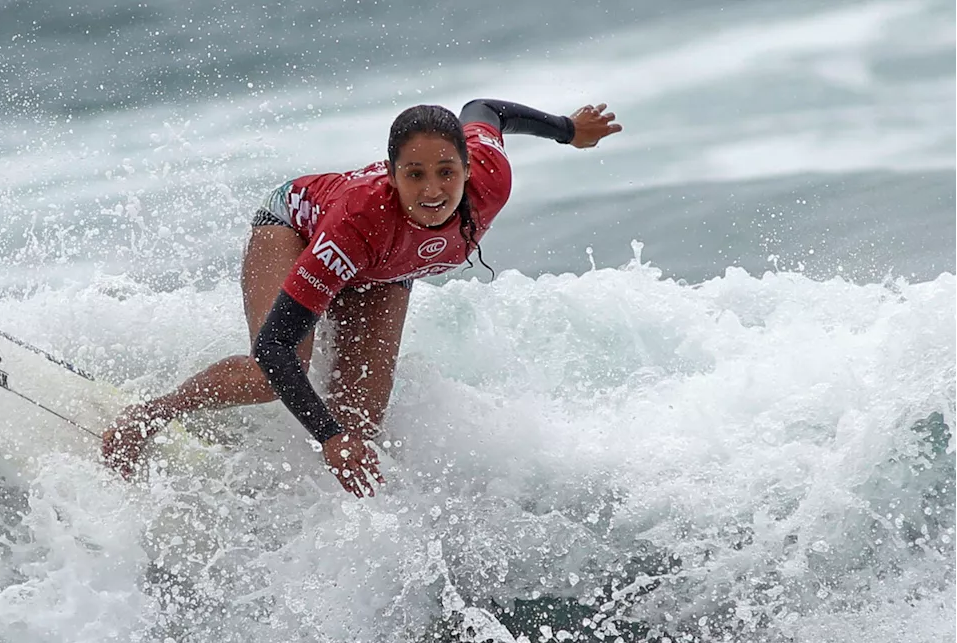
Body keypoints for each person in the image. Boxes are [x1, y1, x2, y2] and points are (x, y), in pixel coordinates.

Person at [100, 98, 622, 497]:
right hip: (297, 228)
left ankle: (300, 513)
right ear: (393, 177)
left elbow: (485, 111)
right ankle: (148, 416)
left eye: (446, 171)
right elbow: (276, 347)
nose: (433, 190)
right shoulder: (356, 220)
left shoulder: (492, 175)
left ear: (467, 167)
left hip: (384, 269)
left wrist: (569, 131)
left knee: (363, 422)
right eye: (413, 175)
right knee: (277, 374)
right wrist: (329, 438)